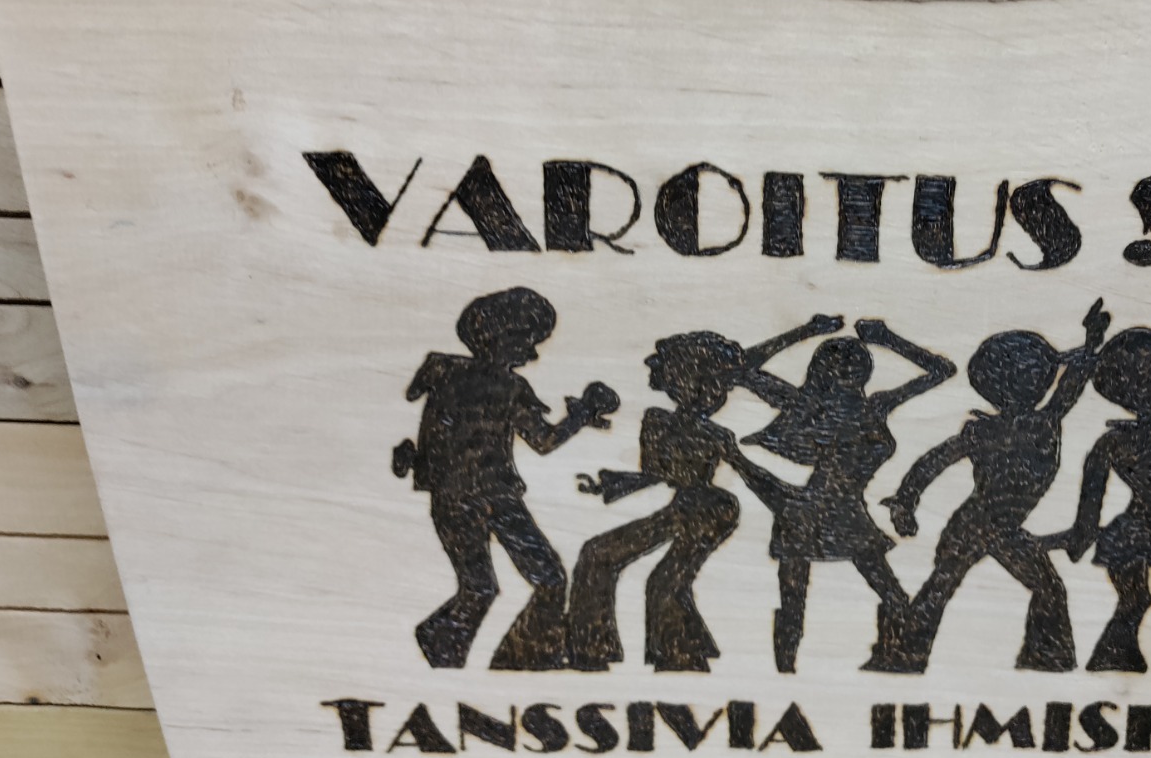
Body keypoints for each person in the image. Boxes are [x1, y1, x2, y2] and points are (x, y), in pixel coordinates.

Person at [566, 315, 842, 672]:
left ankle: (679, 657)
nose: (655, 368)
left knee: (665, 581)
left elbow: (747, 467)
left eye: (666, 367)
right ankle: (593, 650)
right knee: (597, 554)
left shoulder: (715, 435)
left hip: (711, 511)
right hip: (682, 507)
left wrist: (788, 503)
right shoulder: (656, 420)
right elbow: (656, 475)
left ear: (686, 378)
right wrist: (612, 484)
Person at [394, 287, 617, 670]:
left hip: (481, 497)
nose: (531, 355)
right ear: (499, 336)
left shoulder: (445, 372)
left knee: (517, 582)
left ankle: (524, 654)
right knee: (503, 585)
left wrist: (413, 460)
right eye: (527, 343)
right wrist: (581, 415)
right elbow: (543, 441)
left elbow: (430, 422)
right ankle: (453, 650)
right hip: (475, 498)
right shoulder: (501, 386)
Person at [883, 299, 1109, 672]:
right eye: (1036, 376)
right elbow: (934, 461)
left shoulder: (1038, 423)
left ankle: (1044, 660)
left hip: (991, 525)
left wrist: (1090, 344)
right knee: (947, 588)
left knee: (953, 588)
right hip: (979, 522)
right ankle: (904, 655)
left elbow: (1071, 384)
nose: (1043, 382)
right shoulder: (1024, 426)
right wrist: (905, 500)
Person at [739, 319, 955, 673]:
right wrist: (807, 330)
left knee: (888, 595)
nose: (848, 367)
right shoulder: (806, 404)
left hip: (840, 513)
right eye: (838, 362)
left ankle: (899, 659)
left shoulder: (874, 405)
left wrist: (888, 338)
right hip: (809, 512)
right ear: (822, 371)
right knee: (795, 602)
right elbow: (741, 367)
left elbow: (942, 370)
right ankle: (783, 672)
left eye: (855, 360)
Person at [1057, 327, 1151, 672]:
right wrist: (1076, 538)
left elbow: (1089, 509)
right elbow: (1089, 507)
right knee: (1139, 599)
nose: (1147, 388)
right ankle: (1124, 658)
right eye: (1138, 380)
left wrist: (1078, 539)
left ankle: (1140, 654)